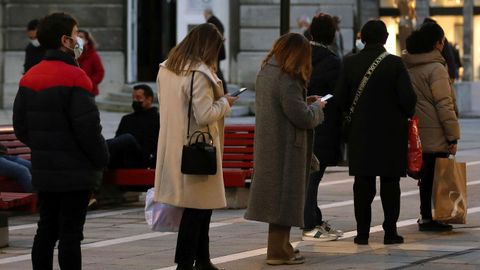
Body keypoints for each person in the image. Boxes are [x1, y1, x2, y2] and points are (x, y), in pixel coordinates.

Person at [12, 12, 109, 270]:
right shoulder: (76, 77)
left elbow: (21, 127)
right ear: (65, 40)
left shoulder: (29, 77)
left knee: (45, 230)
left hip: (44, 168)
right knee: (70, 235)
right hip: (75, 170)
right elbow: (89, 129)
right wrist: (101, 159)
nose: (80, 39)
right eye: (76, 34)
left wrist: (45, 145)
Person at [154, 23, 237, 270]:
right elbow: (204, 114)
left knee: (200, 208)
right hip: (197, 150)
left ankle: (202, 259)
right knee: (196, 211)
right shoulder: (198, 73)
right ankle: (186, 263)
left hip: (174, 147)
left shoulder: (167, 68)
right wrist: (226, 102)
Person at [244, 33, 325, 265]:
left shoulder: (267, 71)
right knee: (284, 200)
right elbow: (302, 118)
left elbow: (286, 106)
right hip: (286, 148)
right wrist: (317, 108)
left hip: (273, 144)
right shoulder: (287, 78)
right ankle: (278, 252)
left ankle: (283, 246)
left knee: (281, 200)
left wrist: (307, 100)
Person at [335, 20, 417, 245]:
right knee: (390, 185)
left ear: (362, 38)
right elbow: (408, 100)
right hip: (391, 134)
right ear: (386, 38)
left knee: (363, 184)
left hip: (360, 133)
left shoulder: (349, 63)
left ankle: (362, 234)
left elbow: (340, 99)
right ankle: (390, 232)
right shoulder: (395, 64)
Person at [402, 22, 460, 232]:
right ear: (436, 43)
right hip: (435, 132)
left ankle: (426, 215)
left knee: (425, 177)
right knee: (436, 177)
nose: (444, 45)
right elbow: (445, 105)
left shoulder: (407, 66)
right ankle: (433, 217)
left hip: (416, 131)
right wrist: (452, 136)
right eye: (443, 41)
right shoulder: (436, 68)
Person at [302, 13, 343, 242]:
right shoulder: (332, 61)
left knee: (310, 176)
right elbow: (338, 96)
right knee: (313, 177)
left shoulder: (299, 55)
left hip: (301, 121)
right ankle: (309, 222)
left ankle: (314, 218)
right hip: (324, 124)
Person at [107, 84, 159, 169]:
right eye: (133, 98)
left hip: (143, 159)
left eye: (138, 98)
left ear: (149, 99)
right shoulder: (126, 119)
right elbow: (116, 141)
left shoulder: (157, 119)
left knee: (128, 138)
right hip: (123, 157)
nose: (135, 100)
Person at [204, 8, 228, 94]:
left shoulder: (211, 22)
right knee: (217, 70)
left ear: (206, 13)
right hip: (218, 50)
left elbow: (211, 37)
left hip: (215, 51)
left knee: (216, 70)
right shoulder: (217, 21)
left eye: (204, 14)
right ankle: (222, 90)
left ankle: (223, 90)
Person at [77, 29, 105, 97]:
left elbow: (100, 72)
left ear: (86, 41)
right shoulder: (72, 54)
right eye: (76, 36)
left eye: (81, 37)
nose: (78, 39)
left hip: (89, 92)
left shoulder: (93, 55)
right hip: (74, 91)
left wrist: (89, 83)